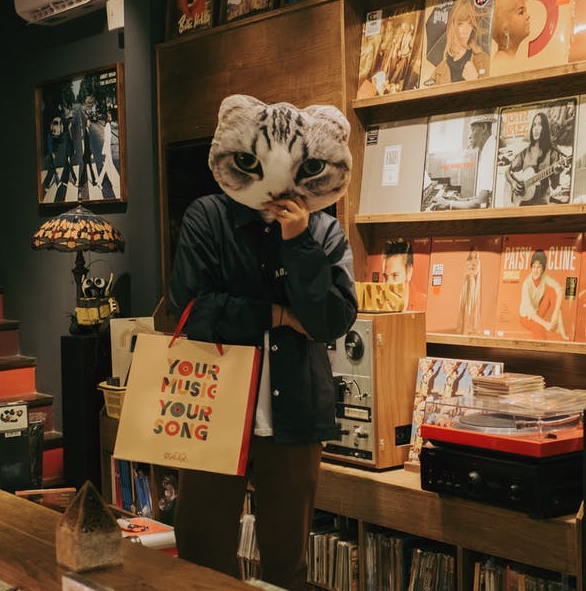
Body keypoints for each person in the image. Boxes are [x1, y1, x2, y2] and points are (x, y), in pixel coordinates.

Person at [168, 178, 357, 586]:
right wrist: (280, 315)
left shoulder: (322, 228)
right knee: (201, 561)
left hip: (296, 416)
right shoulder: (209, 215)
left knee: (287, 568)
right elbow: (189, 310)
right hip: (212, 410)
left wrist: (298, 241)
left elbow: (332, 321)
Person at [430, 115, 497, 210]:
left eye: (472, 130)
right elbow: (481, 197)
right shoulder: (488, 148)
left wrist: (449, 204)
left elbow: (480, 203)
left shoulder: (490, 151)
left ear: (484, 128)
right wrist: (460, 200)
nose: (469, 136)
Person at [504, 113, 570, 206]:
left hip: (542, 204)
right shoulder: (525, 152)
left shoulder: (552, 152)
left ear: (545, 128)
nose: (536, 128)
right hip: (522, 203)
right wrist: (513, 183)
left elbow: (555, 185)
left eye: (540, 124)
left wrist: (557, 172)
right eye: (534, 125)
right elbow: (507, 171)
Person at [429, 0, 488, 85]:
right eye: (460, 24)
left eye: (470, 24)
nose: (466, 30)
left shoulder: (482, 60)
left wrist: (475, 80)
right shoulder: (439, 71)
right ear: (452, 25)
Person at [518, 250, 569, 340]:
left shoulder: (544, 276)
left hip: (538, 311)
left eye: (538, 267)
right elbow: (531, 313)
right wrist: (546, 324)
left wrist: (555, 313)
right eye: (534, 266)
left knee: (552, 292)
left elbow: (559, 289)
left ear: (543, 269)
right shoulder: (526, 284)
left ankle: (560, 326)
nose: (535, 270)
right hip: (526, 317)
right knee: (540, 329)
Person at [491, 0, 530, 73]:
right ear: (505, 28)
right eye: (521, 12)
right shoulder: (502, 64)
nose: (528, 16)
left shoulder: (508, 60)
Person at [382, 238, 425, 312]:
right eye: (386, 277)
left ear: (409, 272)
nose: (388, 283)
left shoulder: (423, 304)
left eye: (395, 275)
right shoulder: (380, 304)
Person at [455, 248, 482, 335]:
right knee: (464, 303)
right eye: (472, 252)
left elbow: (475, 272)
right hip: (466, 282)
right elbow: (464, 271)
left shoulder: (478, 261)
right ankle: (463, 327)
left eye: (474, 252)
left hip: (472, 283)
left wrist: (469, 271)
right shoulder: (467, 261)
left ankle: (470, 327)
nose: (473, 253)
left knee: (471, 303)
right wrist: (468, 271)